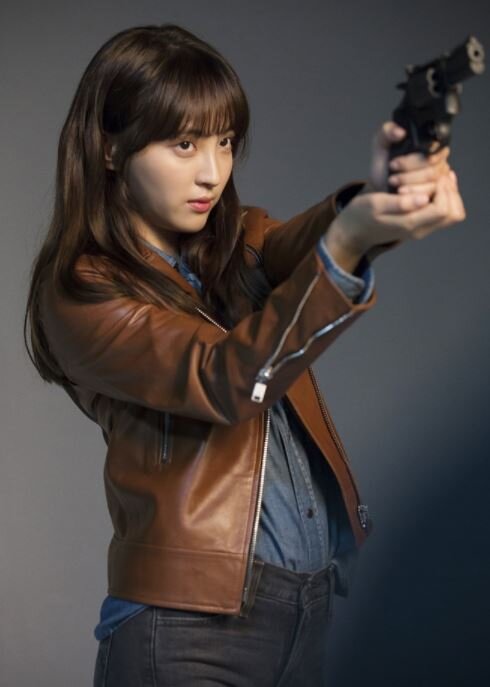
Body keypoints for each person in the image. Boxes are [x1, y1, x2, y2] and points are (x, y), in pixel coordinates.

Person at [23, 22, 465, 687]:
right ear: (110, 149)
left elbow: (305, 246)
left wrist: (380, 196)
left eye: (225, 141)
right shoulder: (84, 293)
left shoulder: (237, 243)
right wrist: (347, 242)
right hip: (185, 631)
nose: (212, 171)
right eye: (184, 144)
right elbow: (226, 378)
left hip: (305, 616)